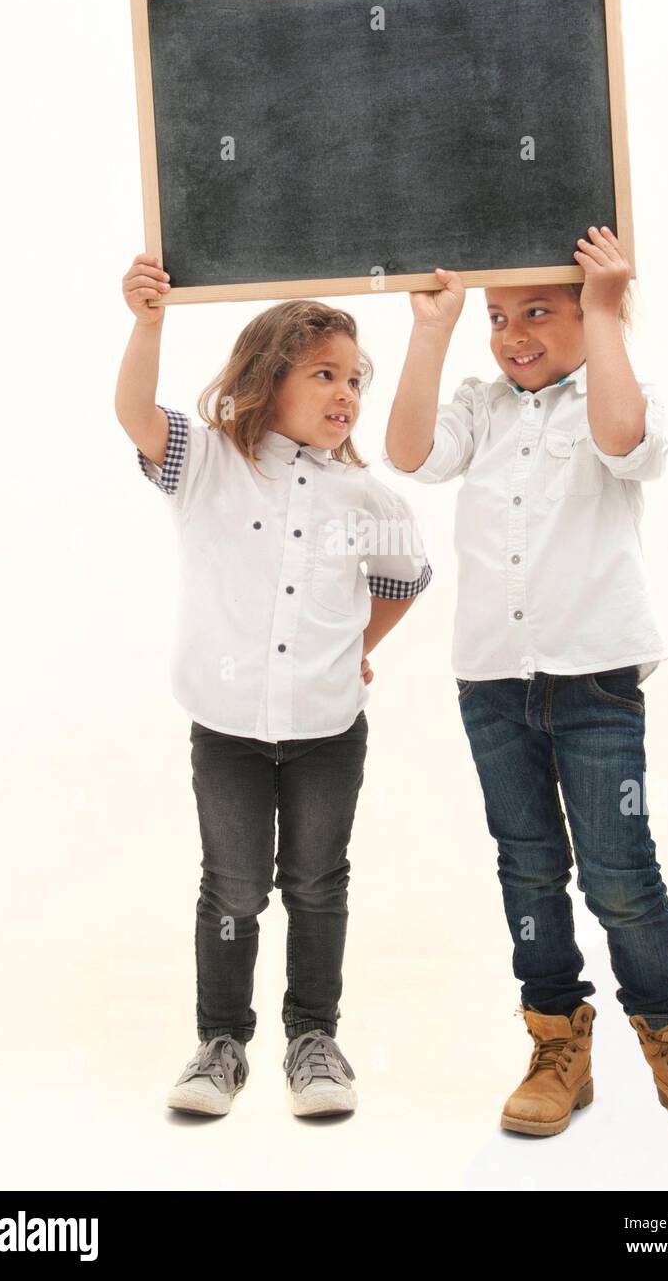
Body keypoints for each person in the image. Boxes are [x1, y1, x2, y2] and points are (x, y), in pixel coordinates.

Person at [381, 226, 668, 1140]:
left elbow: (625, 441)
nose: (512, 334)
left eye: (537, 312)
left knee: (622, 873)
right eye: (500, 317)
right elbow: (410, 452)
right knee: (530, 867)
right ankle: (555, 1039)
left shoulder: (616, 393)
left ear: (586, 314)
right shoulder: (480, 405)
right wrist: (433, 330)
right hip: (494, 683)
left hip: (597, 683)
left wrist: (605, 312)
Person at [115, 253, 432, 1119]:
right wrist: (149, 324)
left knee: (318, 882)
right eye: (324, 373)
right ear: (267, 375)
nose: (347, 393)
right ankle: (221, 1042)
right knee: (234, 885)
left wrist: (357, 648)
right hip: (226, 731)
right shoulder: (208, 461)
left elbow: (405, 581)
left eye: (357, 380)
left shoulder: (364, 495)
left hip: (330, 730)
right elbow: (135, 413)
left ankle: (314, 1040)